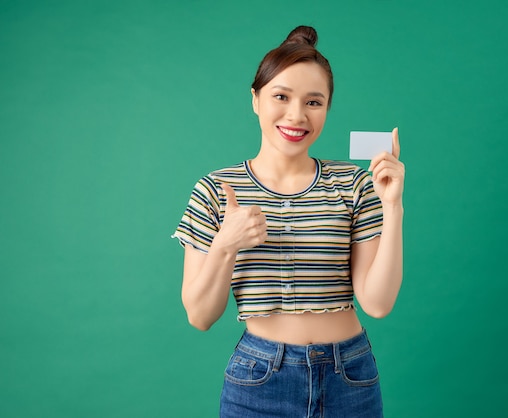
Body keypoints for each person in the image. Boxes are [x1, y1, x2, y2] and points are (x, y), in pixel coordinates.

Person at [172, 25, 404, 418]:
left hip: (350, 376)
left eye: (314, 102)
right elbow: (200, 316)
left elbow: (377, 304)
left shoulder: (353, 183)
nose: (297, 116)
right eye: (281, 96)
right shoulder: (215, 189)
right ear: (256, 99)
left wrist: (393, 206)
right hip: (259, 380)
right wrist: (225, 245)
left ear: (328, 108)